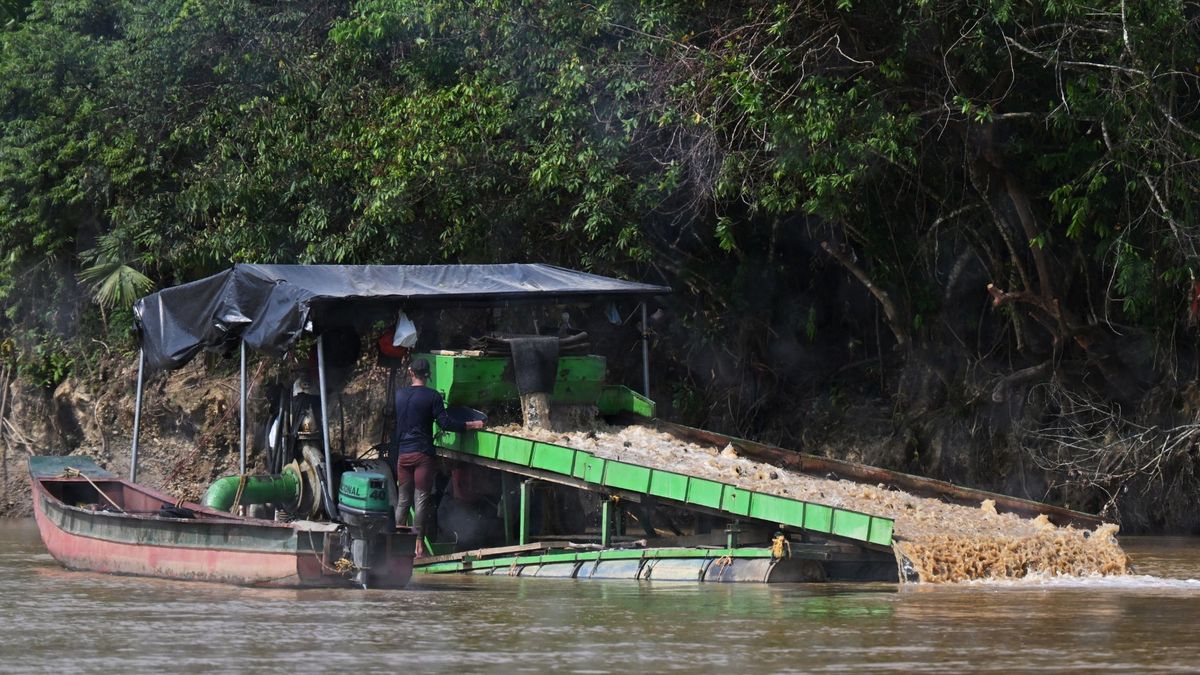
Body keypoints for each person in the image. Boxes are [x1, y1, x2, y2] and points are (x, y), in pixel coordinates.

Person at [391, 357, 484, 553]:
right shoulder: (432, 396)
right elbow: (445, 424)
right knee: (422, 498)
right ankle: (417, 545)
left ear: (410, 372)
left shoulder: (399, 395)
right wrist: (471, 425)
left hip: (403, 454)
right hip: (422, 454)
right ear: (429, 375)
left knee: (403, 500)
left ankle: (396, 543)